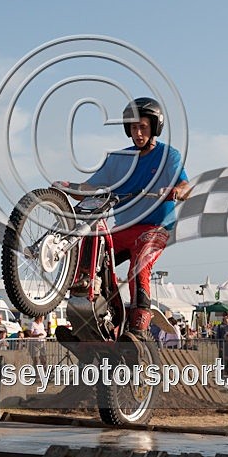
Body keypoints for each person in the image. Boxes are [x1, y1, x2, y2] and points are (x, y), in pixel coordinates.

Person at [54, 97, 189, 337]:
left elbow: (185, 185)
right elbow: (88, 188)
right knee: (91, 253)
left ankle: (139, 324)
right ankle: (90, 317)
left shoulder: (169, 155)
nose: (138, 133)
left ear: (155, 127)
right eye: (133, 127)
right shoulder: (119, 159)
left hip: (155, 228)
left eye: (143, 127)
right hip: (124, 228)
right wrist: (67, 187)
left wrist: (176, 192)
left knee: (139, 265)